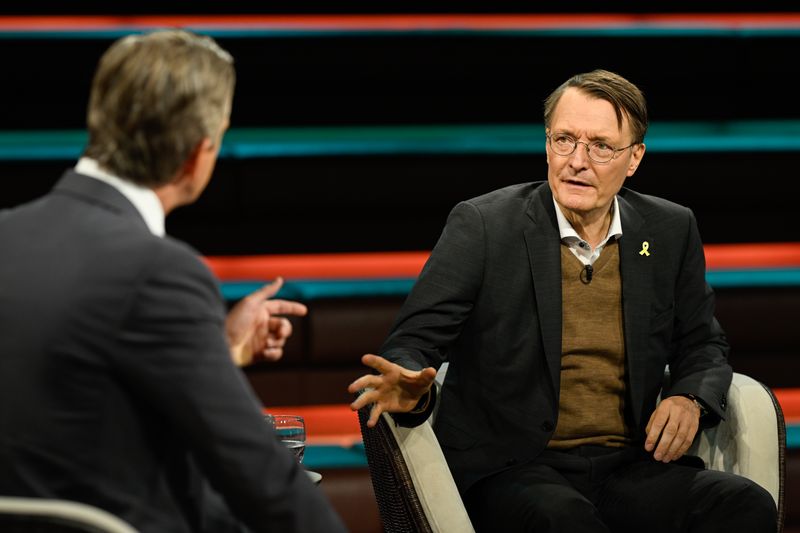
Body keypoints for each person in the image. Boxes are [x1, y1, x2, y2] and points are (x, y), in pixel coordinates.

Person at [349, 69, 777, 532]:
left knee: (744, 504)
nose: (577, 161)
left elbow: (703, 345)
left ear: (634, 159)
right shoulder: (486, 226)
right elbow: (413, 343)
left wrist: (690, 398)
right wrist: (414, 388)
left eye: (600, 146)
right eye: (564, 140)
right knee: (562, 519)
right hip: (512, 468)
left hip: (629, 466)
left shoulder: (669, 229)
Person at [0, 30, 346, 533]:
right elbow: (259, 475)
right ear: (197, 155)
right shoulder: (159, 271)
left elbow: (77, 392)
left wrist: (218, 347)